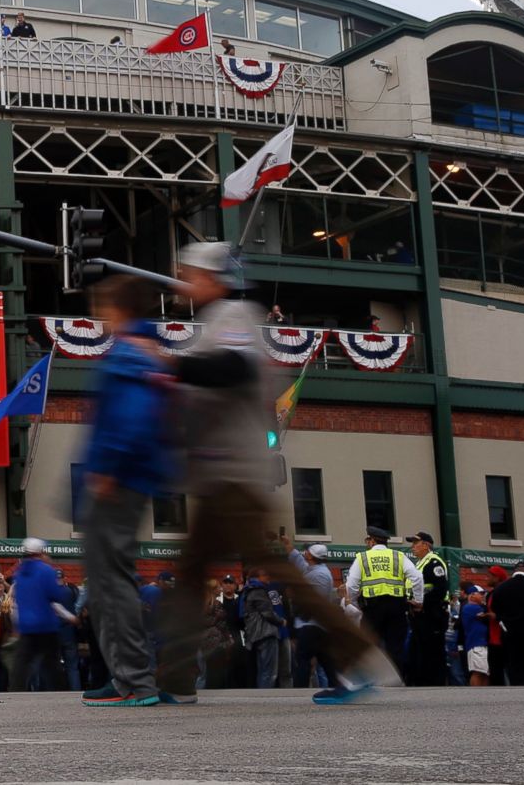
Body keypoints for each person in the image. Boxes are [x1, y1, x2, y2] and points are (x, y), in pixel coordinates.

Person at [156, 242, 385, 706]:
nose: (185, 281)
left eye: (191, 273)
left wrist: (174, 365)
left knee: (282, 571)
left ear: (214, 277)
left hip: (236, 472)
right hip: (215, 474)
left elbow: (233, 367)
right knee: (192, 572)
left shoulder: (235, 315)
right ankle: (175, 679)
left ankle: (359, 656)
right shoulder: (212, 323)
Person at [77, 274, 173, 706]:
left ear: (119, 310)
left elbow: (130, 418)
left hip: (117, 480)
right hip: (134, 476)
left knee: (110, 583)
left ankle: (136, 681)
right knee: (108, 581)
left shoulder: (129, 354)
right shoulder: (148, 351)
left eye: (104, 307)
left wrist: (107, 468)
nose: (100, 316)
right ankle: (124, 678)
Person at [344, 526, 423, 682]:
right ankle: (396, 680)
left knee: (369, 646)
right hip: (396, 606)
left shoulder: (362, 558)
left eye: (368, 540)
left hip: (372, 607)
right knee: (396, 646)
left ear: (372, 541)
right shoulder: (398, 556)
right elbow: (417, 578)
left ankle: (370, 681)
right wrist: (419, 601)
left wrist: (354, 604)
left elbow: (351, 585)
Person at [13, 539, 73, 696]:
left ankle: (16, 690)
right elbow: (55, 595)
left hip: (26, 625)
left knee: (22, 661)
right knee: (52, 661)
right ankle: (61, 691)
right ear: (41, 553)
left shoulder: (19, 573)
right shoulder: (46, 570)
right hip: (45, 623)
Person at [285, 540, 338, 689]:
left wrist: (294, 594)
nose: (305, 553)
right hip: (313, 625)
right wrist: (286, 542)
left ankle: (300, 690)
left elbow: (313, 601)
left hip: (312, 625)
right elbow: (296, 558)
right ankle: (337, 686)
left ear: (312, 556)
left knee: (303, 658)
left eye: (307, 552)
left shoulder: (320, 575)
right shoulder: (311, 569)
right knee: (325, 658)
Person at [403, 531, 450, 687]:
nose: (412, 547)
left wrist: (422, 602)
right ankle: (421, 681)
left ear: (426, 545)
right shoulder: (420, 564)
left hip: (432, 614)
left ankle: (435, 684)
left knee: (433, 652)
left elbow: (440, 589)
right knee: (419, 651)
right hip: (419, 615)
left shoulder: (434, 563)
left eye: (415, 544)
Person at [458, 586, 491, 686]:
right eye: (480, 594)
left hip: (482, 643)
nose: (482, 596)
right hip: (476, 644)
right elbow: (486, 613)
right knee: (478, 672)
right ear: (472, 595)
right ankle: (475, 695)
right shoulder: (470, 608)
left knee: (485, 673)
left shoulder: (476, 607)